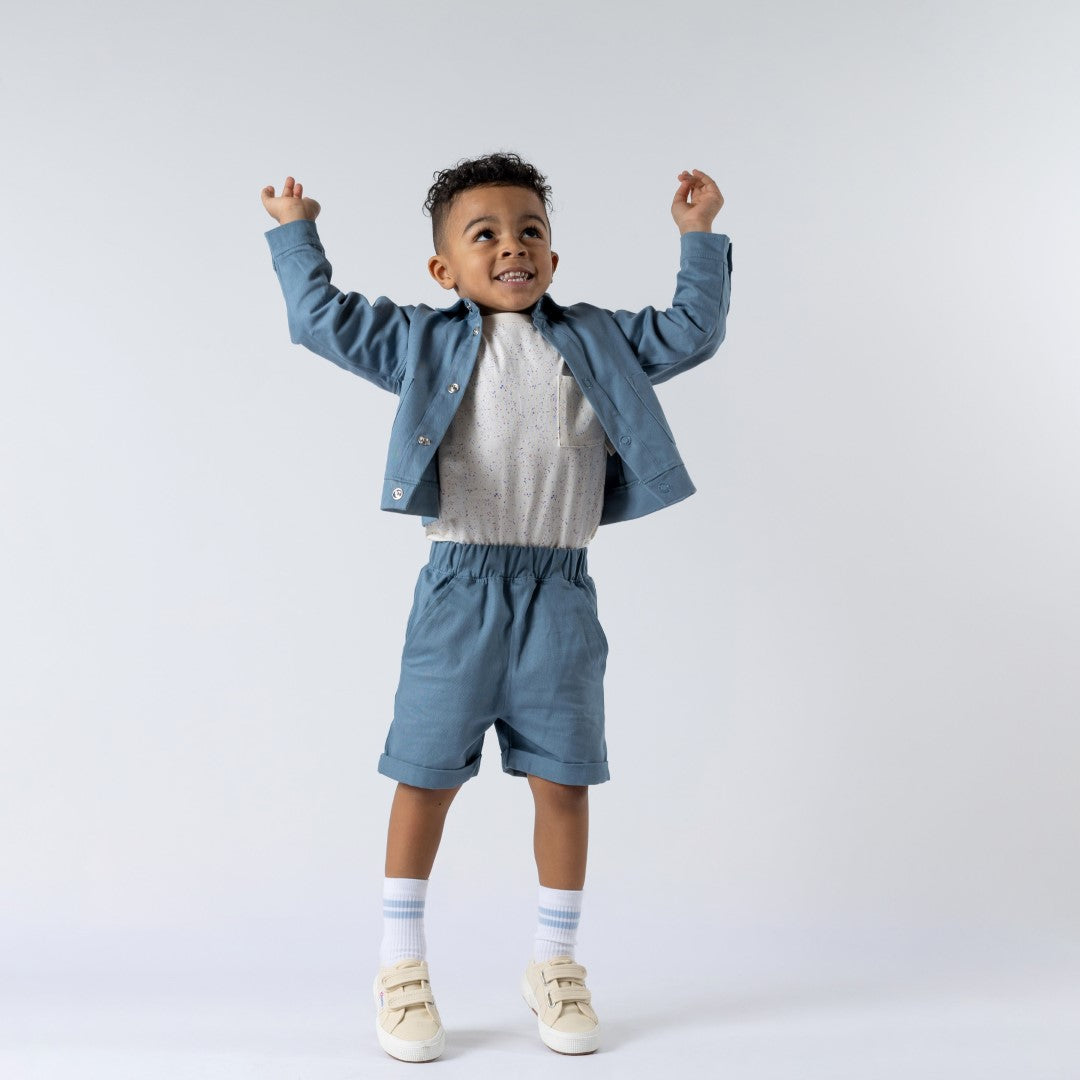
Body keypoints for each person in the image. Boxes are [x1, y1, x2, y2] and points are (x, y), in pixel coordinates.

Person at [260, 152, 732, 1061]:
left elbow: (691, 331)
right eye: (485, 235)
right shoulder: (422, 342)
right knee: (426, 774)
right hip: (458, 587)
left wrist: (698, 237)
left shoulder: (596, 338)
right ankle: (401, 968)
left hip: (559, 587)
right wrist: (294, 231)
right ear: (444, 271)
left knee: (564, 777)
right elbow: (319, 320)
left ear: (553, 257)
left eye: (531, 232)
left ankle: (555, 963)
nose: (512, 246)